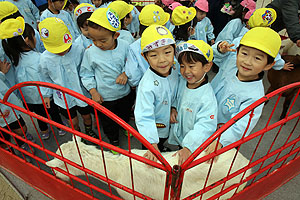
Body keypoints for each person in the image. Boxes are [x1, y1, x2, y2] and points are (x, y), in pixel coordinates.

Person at [206, 27, 281, 159]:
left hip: (218, 137)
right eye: (244, 53)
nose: (247, 61)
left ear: (269, 65)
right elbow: (211, 57)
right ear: (237, 52)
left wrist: (221, 141)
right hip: (203, 119)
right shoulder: (230, 64)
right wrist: (219, 49)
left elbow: (241, 126)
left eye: (257, 58)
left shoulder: (255, 96)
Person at [1, 17, 66, 140]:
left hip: (28, 99)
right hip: (44, 96)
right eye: (33, 36)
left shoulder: (13, 60)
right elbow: (47, 77)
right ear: (27, 40)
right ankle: (60, 127)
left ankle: (44, 131)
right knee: (53, 112)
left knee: (39, 115)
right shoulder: (39, 58)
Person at [80, 8, 133, 151]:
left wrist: (125, 73)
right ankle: (113, 141)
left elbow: (132, 63)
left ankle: (125, 127)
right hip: (104, 97)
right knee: (108, 122)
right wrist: (93, 91)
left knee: (124, 114)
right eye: (93, 39)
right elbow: (86, 74)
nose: (98, 44)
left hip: (124, 93)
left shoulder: (125, 46)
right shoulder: (90, 52)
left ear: (115, 35)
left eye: (102, 40)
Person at [38, 17, 96, 144]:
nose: (62, 51)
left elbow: (85, 69)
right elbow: (44, 78)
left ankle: (89, 131)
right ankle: (79, 137)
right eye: (57, 49)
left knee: (87, 116)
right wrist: (46, 95)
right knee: (72, 121)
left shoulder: (78, 49)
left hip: (81, 91)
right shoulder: (44, 58)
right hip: (62, 96)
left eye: (64, 47)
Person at [169, 40, 218, 165]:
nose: (186, 71)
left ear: (207, 66)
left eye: (191, 66)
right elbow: (176, 96)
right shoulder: (183, 82)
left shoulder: (207, 97)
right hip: (182, 136)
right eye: (182, 66)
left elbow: (206, 125)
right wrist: (173, 107)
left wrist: (189, 147)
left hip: (195, 145)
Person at [134, 25, 179, 162]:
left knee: (163, 139)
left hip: (168, 122)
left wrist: (174, 107)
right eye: (154, 55)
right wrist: (151, 144)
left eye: (167, 52)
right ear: (145, 57)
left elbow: (178, 90)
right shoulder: (146, 85)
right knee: (150, 153)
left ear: (174, 50)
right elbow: (143, 116)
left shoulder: (176, 69)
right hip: (153, 128)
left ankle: (161, 146)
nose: (162, 60)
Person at [124, 4, 170, 87]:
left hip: (145, 88)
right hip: (168, 87)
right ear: (162, 26)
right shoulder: (168, 43)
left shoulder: (134, 47)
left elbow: (133, 76)